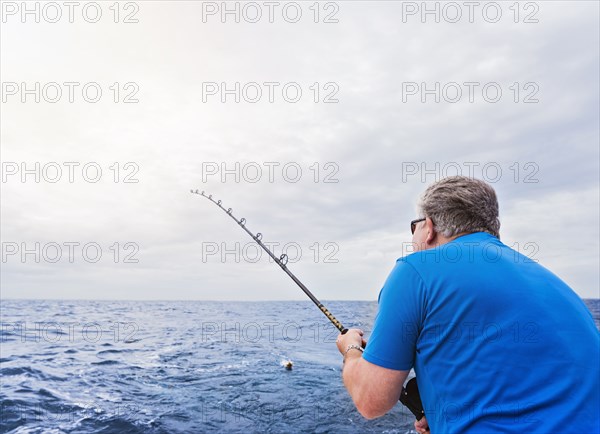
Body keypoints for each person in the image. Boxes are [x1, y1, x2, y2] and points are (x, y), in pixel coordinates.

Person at [336, 176, 600, 433]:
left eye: (413, 226)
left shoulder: (415, 270)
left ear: (429, 227)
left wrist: (351, 349)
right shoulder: (556, 285)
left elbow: (371, 400)